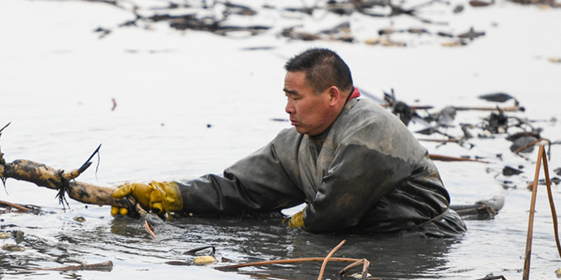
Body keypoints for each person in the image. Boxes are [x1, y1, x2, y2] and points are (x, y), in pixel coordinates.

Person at [111, 48, 466, 236]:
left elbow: (331, 213)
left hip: (423, 243)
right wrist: (167, 195)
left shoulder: (370, 130)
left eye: (296, 97)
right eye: (286, 96)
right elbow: (238, 190)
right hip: (361, 240)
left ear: (331, 95)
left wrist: (275, 234)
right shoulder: (295, 141)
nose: (287, 107)